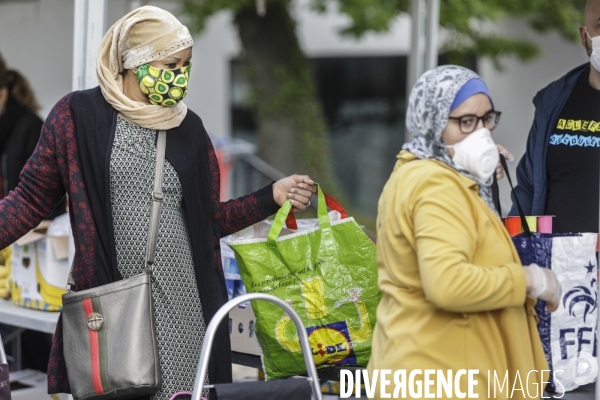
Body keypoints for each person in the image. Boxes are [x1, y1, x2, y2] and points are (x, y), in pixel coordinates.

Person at [0, 6, 316, 400]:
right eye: (171, 64)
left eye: (185, 64)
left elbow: (207, 222)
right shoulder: (76, 116)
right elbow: (29, 199)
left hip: (185, 310)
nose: (180, 75)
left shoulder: (190, 129)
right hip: (114, 310)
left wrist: (270, 196)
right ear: (135, 62)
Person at [367, 65, 561, 399]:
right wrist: (530, 280)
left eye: (487, 119)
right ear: (431, 122)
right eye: (466, 122)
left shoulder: (429, 176)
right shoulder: (434, 184)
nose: (482, 133)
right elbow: (449, 285)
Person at [510, 0, 600, 234]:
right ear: (585, 36)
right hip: (558, 266)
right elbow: (529, 189)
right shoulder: (552, 103)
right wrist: (513, 254)